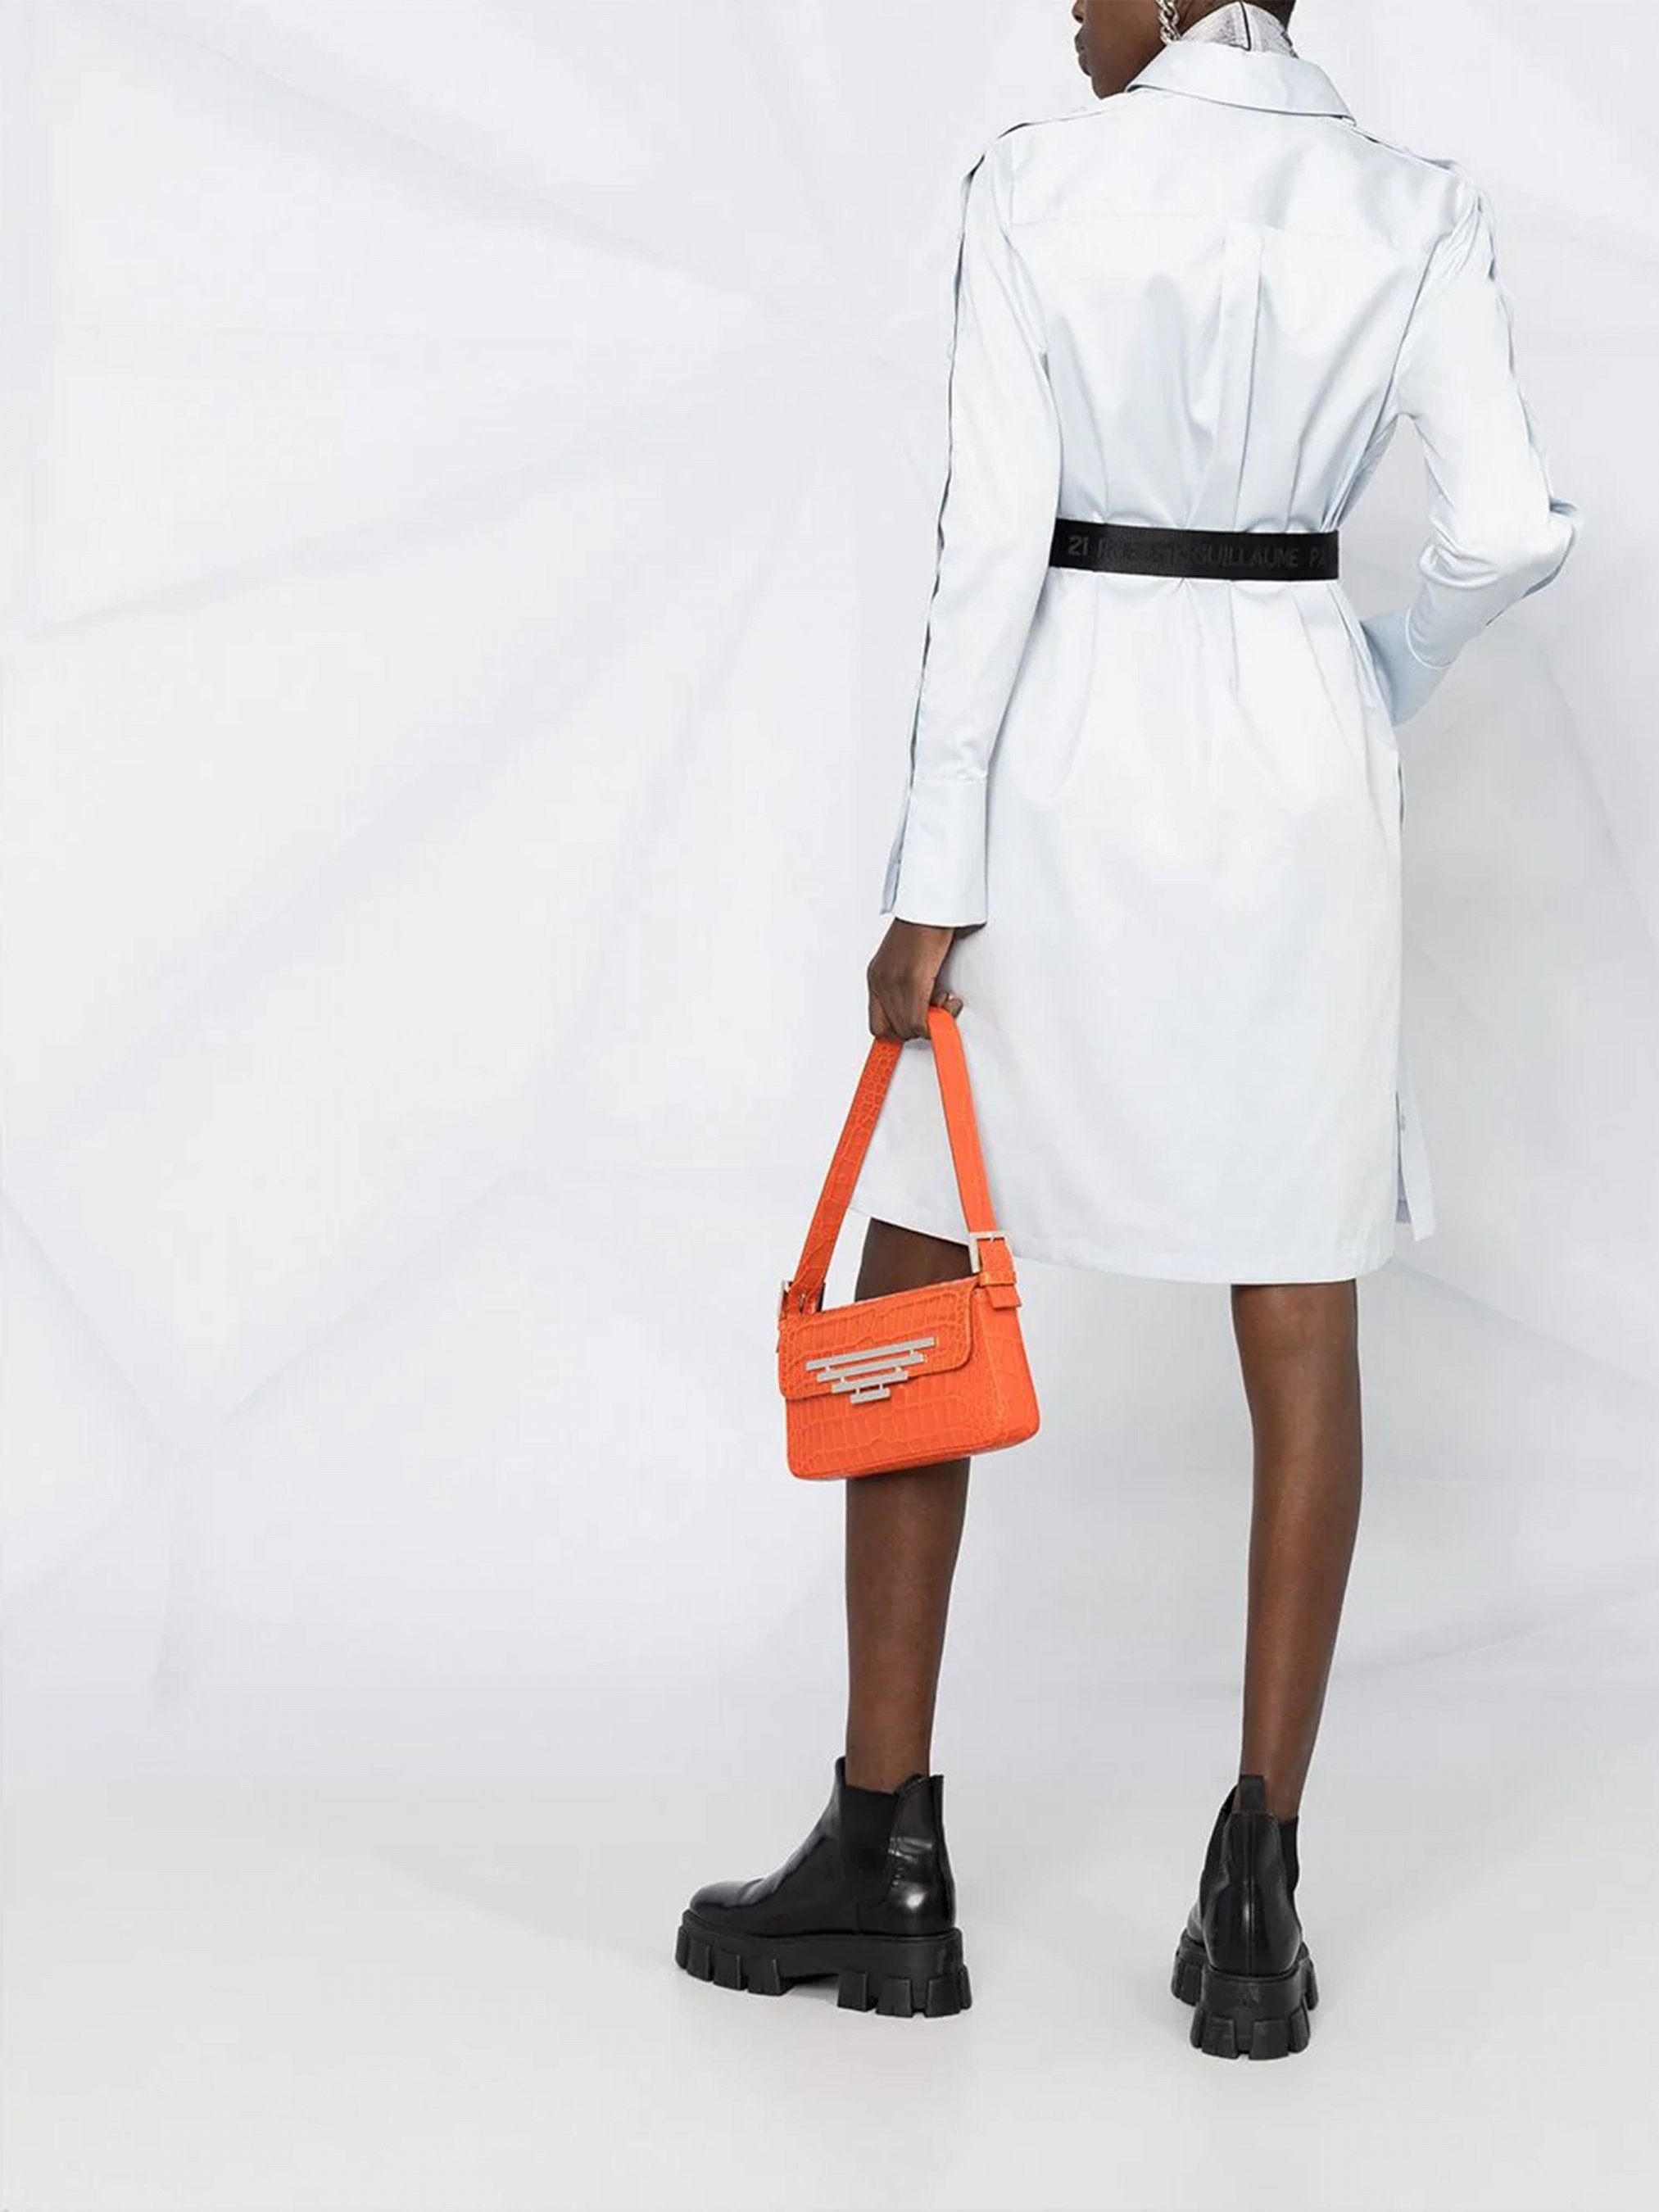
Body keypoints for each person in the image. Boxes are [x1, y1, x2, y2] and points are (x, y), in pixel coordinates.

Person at [675, 0, 1579, 2058]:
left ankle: (883, 1855)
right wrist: (1380, 668)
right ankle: (1255, 1890)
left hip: (1067, 774)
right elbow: (1509, 526)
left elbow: (986, 545)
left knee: (920, 1259)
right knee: (1299, 1290)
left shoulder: (1037, 183)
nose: (1063, 13)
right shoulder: (1411, 203)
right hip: (1296, 770)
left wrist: (928, 877)